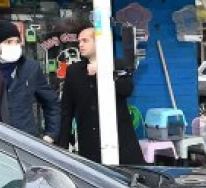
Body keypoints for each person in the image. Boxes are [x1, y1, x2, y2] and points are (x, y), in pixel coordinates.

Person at [56, 25, 146, 165]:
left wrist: (102, 73)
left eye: (85, 41)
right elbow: (66, 110)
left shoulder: (117, 65)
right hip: (89, 143)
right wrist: (63, 144)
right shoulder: (74, 71)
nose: (81, 45)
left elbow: (126, 89)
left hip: (120, 141)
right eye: (79, 41)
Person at [0, 20, 59, 142]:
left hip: (25, 141)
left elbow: (51, 102)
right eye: (8, 42)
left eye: (17, 42)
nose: (14, 46)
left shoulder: (30, 68)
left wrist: (50, 135)